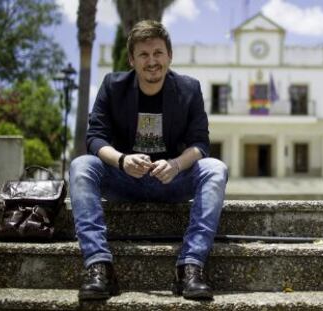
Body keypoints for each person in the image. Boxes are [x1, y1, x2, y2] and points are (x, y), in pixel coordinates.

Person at [69, 19, 228, 301]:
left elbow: (200, 143)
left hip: (172, 180)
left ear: (169, 56)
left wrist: (177, 164)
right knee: (81, 165)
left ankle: (190, 267)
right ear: (131, 60)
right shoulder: (112, 86)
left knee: (215, 168)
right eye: (143, 54)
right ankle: (99, 267)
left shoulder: (190, 89)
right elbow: (94, 138)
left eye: (158, 53)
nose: (152, 61)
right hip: (123, 179)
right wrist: (121, 160)